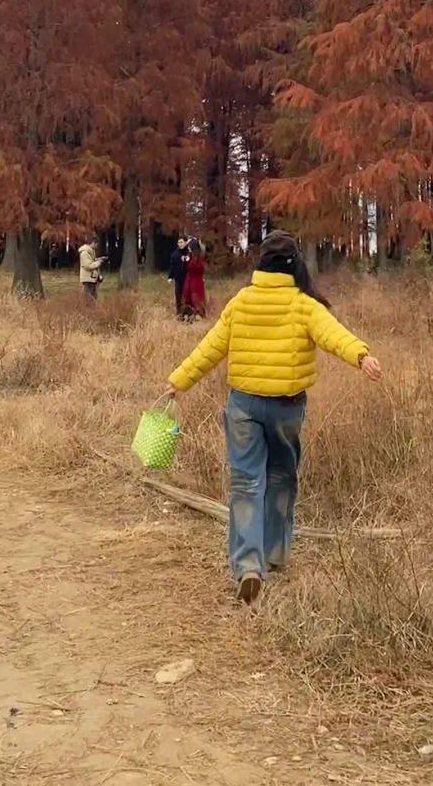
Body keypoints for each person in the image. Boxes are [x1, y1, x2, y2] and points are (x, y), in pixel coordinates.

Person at [162, 230, 383, 604]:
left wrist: (178, 381)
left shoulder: (242, 301)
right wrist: (361, 356)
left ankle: (248, 566)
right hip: (286, 406)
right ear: (295, 265)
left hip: (244, 405)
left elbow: (211, 347)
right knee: (281, 476)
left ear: (260, 264)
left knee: (247, 483)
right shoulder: (304, 304)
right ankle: (276, 553)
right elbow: (334, 335)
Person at [182, 237, 207, 318]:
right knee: (188, 296)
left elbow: (200, 268)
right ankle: (188, 314)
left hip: (196, 280)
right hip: (189, 279)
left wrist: (191, 262)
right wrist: (186, 261)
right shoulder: (189, 255)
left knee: (196, 297)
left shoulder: (200, 256)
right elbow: (186, 267)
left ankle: (199, 314)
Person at [168, 236, 191, 319]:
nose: (180, 244)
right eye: (179, 243)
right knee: (178, 295)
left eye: (182, 242)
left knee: (187, 296)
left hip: (187, 278)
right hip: (178, 278)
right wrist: (170, 276)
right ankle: (179, 313)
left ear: (185, 243)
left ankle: (188, 313)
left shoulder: (189, 253)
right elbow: (172, 266)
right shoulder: (175, 254)